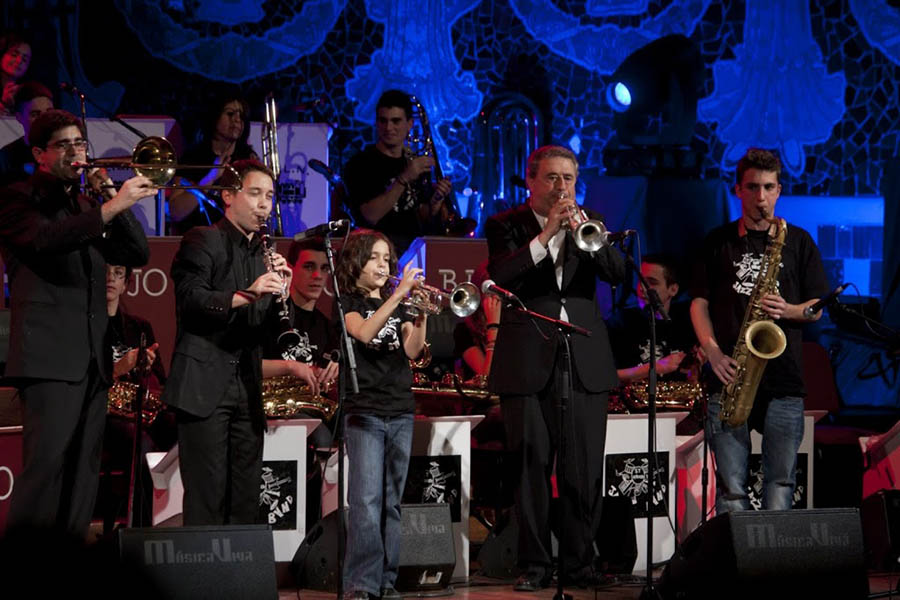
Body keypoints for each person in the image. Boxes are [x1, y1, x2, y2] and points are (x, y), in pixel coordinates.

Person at [0, 108, 152, 536]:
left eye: (80, 143)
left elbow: (137, 253)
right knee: (44, 473)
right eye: (63, 145)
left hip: (91, 360)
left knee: (83, 477)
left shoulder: (88, 204)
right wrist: (111, 207)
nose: (75, 152)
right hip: (49, 359)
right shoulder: (17, 198)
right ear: (39, 154)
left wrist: (112, 198)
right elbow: (45, 239)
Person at [484, 145, 626, 590]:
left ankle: (581, 563)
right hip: (527, 356)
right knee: (530, 467)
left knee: (583, 468)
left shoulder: (591, 220)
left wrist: (588, 235)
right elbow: (501, 275)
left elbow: (618, 273)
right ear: (531, 180)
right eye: (551, 177)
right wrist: (546, 234)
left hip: (584, 356)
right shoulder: (505, 224)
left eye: (568, 178)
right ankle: (535, 565)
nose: (561, 186)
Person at [690, 148, 830, 514]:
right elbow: (698, 304)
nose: (761, 197)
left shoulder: (798, 241)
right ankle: (736, 552)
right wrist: (712, 352)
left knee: (781, 481)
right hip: (730, 375)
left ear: (779, 190)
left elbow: (816, 307)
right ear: (738, 189)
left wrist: (790, 310)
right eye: (752, 187)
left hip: (783, 379)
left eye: (769, 187)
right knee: (731, 489)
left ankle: (774, 552)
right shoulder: (717, 242)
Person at [162, 158, 291, 526]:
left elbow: (271, 330)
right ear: (229, 196)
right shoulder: (203, 238)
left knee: (247, 499)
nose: (264, 204)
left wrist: (283, 294)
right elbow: (191, 299)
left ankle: (243, 567)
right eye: (255, 193)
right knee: (207, 498)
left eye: (270, 196)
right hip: (204, 386)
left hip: (247, 390)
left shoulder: (263, 255)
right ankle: (202, 567)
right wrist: (247, 294)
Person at [335, 229, 428, 600]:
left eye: (387, 259)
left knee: (391, 502)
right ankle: (361, 583)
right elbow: (363, 332)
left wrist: (420, 316)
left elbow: (412, 351)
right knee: (366, 503)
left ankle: (386, 581)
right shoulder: (347, 302)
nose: (382, 265)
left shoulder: (399, 302)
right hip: (365, 411)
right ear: (356, 262)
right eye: (374, 257)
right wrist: (399, 295)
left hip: (400, 408)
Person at [261, 236, 339, 528]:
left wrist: (334, 371)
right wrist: (292, 367)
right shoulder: (270, 315)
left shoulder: (327, 327)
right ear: (290, 269)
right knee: (322, 437)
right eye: (309, 267)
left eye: (324, 268)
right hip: (270, 410)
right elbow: (245, 367)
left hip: (311, 410)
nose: (318, 276)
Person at [342, 89, 452, 255]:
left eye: (396, 121)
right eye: (383, 121)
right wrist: (404, 178)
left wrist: (434, 204)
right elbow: (371, 216)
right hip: (374, 253)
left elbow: (421, 218)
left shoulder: (414, 163)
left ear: (410, 124)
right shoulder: (360, 164)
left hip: (413, 253)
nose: (388, 128)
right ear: (376, 123)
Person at [168, 94, 257, 235]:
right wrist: (210, 178)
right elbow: (176, 212)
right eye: (230, 114)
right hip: (198, 239)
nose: (237, 120)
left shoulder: (249, 159)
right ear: (214, 117)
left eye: (241, 116)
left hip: (237, 240)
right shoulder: (192, 158)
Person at [608, 254, 696, 385]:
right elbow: (605, 375)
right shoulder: (621, 322)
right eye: (641, 281)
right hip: (635, 397)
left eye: (652, 283)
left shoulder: (686, 322)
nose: (642, 288)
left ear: (673, 289)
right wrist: (653, 368)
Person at [0, 80, 53, 186]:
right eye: (35, 114)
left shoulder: (62, 151)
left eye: (49, 112)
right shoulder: (7, 156)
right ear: (19, 117)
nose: (44, 119)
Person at [0, 32, 31, 116]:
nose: (19, 61)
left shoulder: (27, 95)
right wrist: (3, 103)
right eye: (14, 55)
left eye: (24, 59)